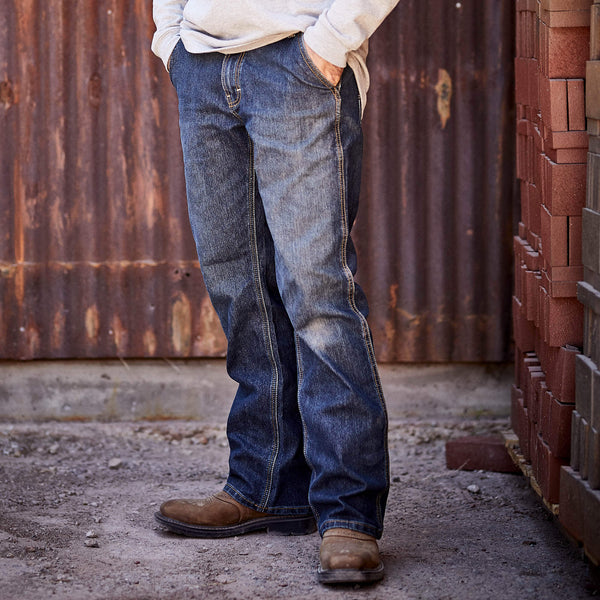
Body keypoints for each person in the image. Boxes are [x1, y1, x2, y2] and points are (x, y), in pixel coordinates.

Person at [151, 0, 399, 585]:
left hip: (299, 59)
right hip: (203, 66)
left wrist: (330, 42)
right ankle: (265, 487)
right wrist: (172, 40)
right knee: (240, 290)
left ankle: (348, 514)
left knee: (318, 296)